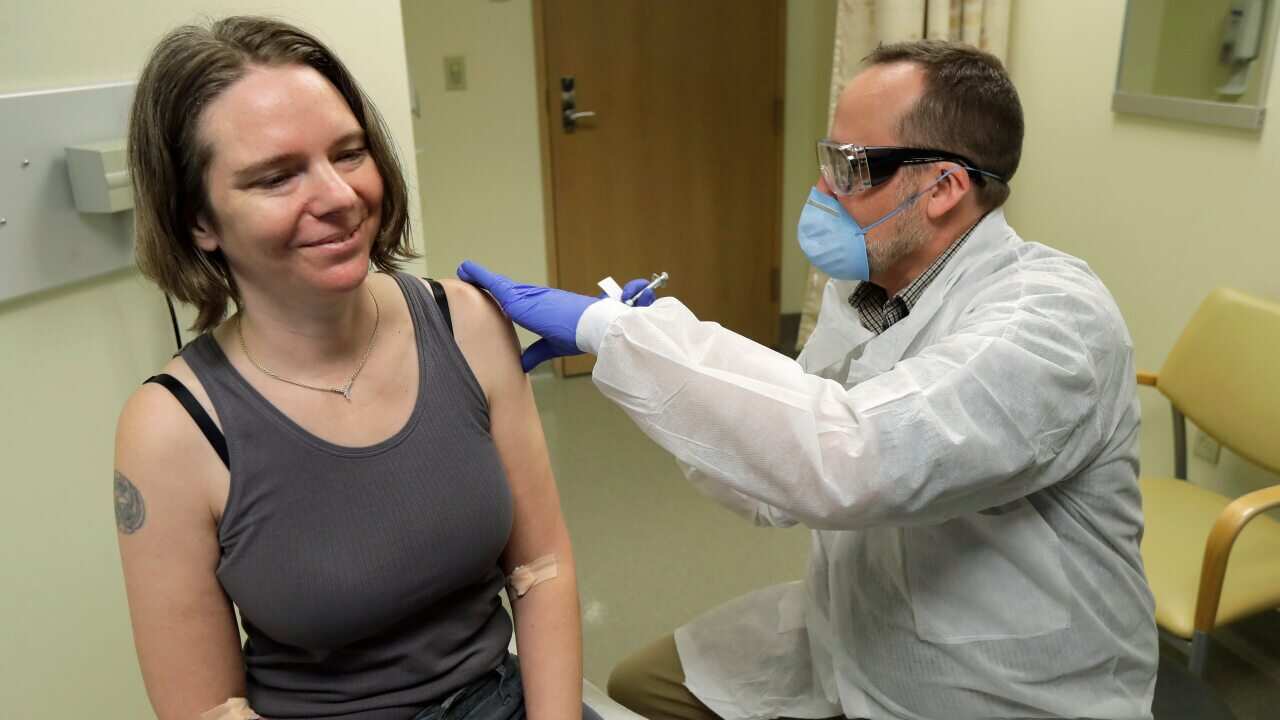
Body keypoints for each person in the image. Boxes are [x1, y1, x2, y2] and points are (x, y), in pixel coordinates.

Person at [458, 40, 1158, 720]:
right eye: (828, 159)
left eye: (851, 167)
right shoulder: (874, 292)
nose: (822, 189)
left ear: (945, 187)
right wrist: (655, 368)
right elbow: (778, 483)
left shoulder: (1054, 323)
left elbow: (850, 458)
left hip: (998, 688)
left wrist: (618, 335)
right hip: (855, 632)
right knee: (642, 684)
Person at [114, 17, 601, 720]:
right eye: (277, 177)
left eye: (348, 154)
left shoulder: (466, 324)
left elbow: (543, 570)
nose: (340, 198)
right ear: (200, 221)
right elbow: (206, 709)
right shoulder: (171, 430)